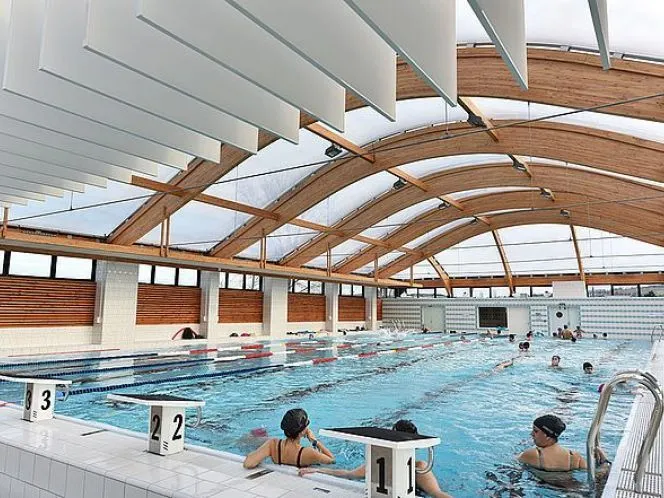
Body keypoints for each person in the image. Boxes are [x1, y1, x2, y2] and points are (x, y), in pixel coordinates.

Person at [299, 420, 452, 498]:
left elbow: (438, 494)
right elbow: (348, 474)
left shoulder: (418, 468)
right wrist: (317, 470)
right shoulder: (415, 466)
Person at [243, 408, 335, 469]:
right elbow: (331, 460)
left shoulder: (273, 444)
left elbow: (248, 463)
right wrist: (315, 441)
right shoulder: (308, 452)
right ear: (302, 431)